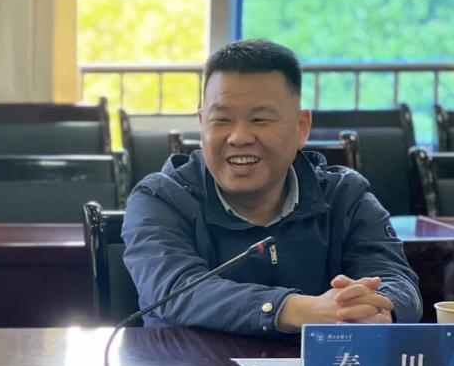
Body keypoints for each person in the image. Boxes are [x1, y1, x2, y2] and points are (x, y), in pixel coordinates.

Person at [122, 39, 421, 336]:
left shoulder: (345, 195)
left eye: (260, 120)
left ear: (301, 127)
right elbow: (175, 291)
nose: (239, 137)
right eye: (221, 120)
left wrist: (374, 307)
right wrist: (292, 309)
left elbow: (398, 281)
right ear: (202, 124)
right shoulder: (160, 199)